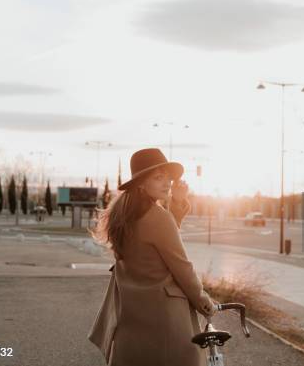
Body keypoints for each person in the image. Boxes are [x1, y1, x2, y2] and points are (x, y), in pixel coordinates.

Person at [87, 148, 216, 366]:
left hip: (133, 312)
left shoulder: (125, 214)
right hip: (164, 317)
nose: (167, 183)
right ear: (141, 183)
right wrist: (204, 302)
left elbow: (158, 242)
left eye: (168, 178)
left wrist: (175, 204)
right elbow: (181, 267)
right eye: (158, 177)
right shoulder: (157, 217)